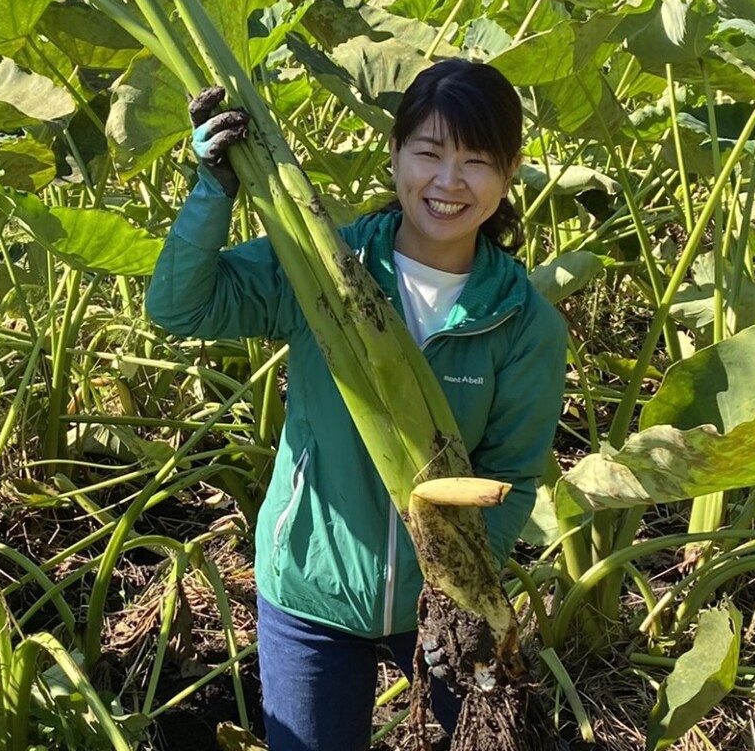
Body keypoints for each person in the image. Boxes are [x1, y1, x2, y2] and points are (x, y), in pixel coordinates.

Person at [144, 59, 567, 751]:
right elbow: (178, 306)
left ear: (510, 171)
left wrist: (453, 603)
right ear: (395, 153)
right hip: (313, 587)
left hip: (441, 603)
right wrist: (212, 193)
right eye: (428, 153)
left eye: (476, 162)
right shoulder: (325, 268)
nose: (448, 182)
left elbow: (513, 475)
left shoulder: (522, 323)